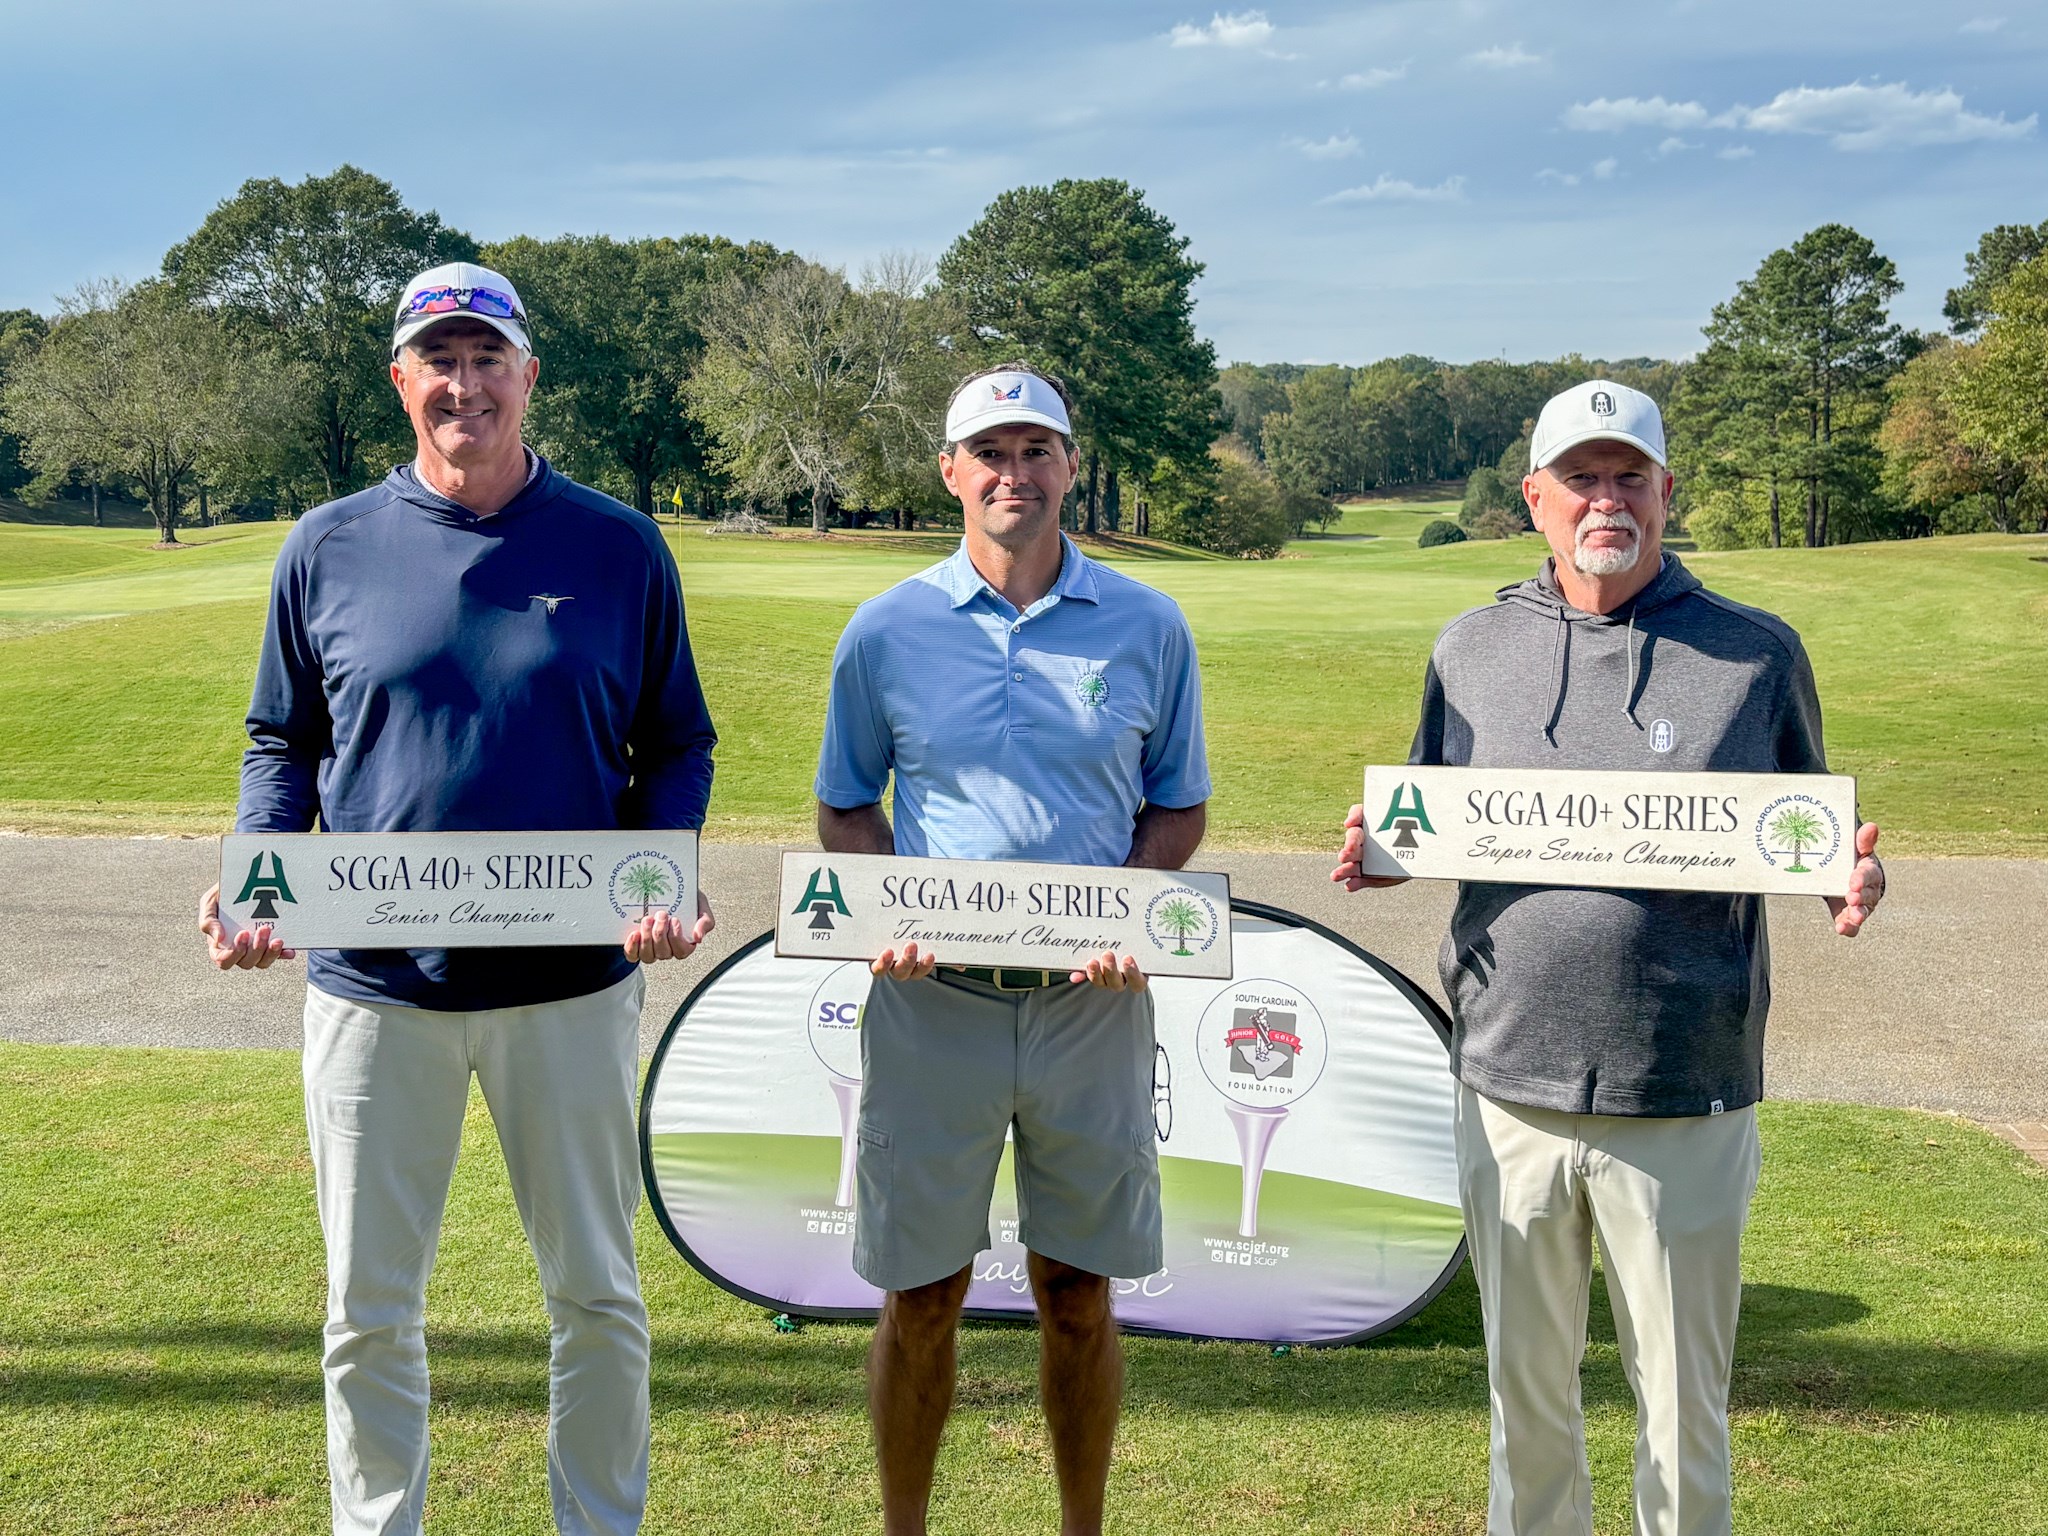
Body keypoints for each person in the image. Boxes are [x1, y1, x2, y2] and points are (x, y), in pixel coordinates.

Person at [199, 260, 718, 1536]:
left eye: (488, 358)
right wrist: (262, 877)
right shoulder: (326, 544)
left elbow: (677, 740)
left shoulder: (616, 543)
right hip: (376, 990)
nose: (463, 382)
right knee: (368, 1308)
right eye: (439, 359)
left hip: (572, 992)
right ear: (401, 380)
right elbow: (283, 740)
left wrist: (657, 875)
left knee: (596, 1298)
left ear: (528, 376)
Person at [1333, 379, 1884, 1536]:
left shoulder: (1751, 654)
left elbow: (1805, 831)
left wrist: (1846, 875)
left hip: (1681, 1084)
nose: (1604, 499)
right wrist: (1382, 855)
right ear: (1532, 498)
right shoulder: (1468, 646)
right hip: (1505, 1086)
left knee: (1683, 1420)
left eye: (1627, 475)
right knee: (1522, 1412)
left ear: (1665, 493)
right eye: (1578, 478)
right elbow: (1433, 821)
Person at [814, 362, 1210, 1536]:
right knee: (920, 1294)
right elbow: (844, 804)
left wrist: (1134, 912)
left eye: (1036, 450)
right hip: (933, 1004)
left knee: (1077, 1295)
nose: (1013, 472)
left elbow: (1175, 805)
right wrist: (888, 909)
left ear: (1070, 469)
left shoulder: (1147, 622)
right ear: (950, 473)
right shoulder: (885, 629)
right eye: (989, 452)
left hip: (1092, 1008)